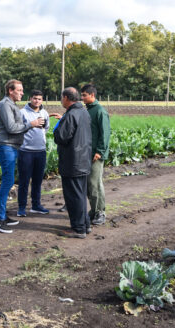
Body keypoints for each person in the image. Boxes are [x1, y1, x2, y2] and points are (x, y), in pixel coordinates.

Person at [0, 79, 45, 234]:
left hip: (12, 147)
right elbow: (11, 128)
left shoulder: (11, 105)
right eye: (20, 90)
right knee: (7, 183)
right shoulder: (5, 105)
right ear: (10, 90)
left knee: (9, 182)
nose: (22, 93)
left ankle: (3, 216)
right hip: (6, 147)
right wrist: (31, 124)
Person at [53, 87, 92, 238]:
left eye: (62, 98)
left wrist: (58, 126)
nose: (61, 100)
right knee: (80, 194)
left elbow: (61, 137)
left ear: (67, 98)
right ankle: (85, 225)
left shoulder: (71, 114)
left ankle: (78, 229)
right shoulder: (83, 112)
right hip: (83, 160)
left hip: (72, 162)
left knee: (73, 196)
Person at [17, 90, 56, 217]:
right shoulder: (22, 112)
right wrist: (31, 125)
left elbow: (46, 128)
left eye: (39, 99)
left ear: (42, 100)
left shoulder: (44, 113)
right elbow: (17, 129)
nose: (37, 101)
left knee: (38, 180)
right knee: (24, 181)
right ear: (30, 98)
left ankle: (36, 205)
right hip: (26, 151)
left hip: (40, 151)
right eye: (34, 98)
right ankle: (21, 207)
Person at [81, 84, 110, 226]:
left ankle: (100, 212)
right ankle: (93, 210)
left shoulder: (100, 111)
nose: (82, 98)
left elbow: (105, 134)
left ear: (92, 95)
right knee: (89, 184)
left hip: (95, 155)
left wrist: (99, 151)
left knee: (95, 183)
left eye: (84, 95)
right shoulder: (88, 110)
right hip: (87, 153)